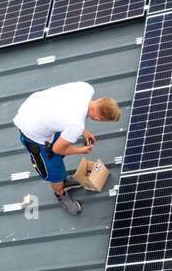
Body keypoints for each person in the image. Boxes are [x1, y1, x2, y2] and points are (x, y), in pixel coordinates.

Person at [13, 81, 120, 217]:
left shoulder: (86, 88)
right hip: (32, 131)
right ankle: (60, 193)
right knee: (53, 168)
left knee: (63, 143)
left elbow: (68, 110)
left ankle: (64, 182)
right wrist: (82, 150)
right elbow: (58, 149)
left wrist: (82, 132)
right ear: (97, 118)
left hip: (34, 107)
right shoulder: (75, 124)